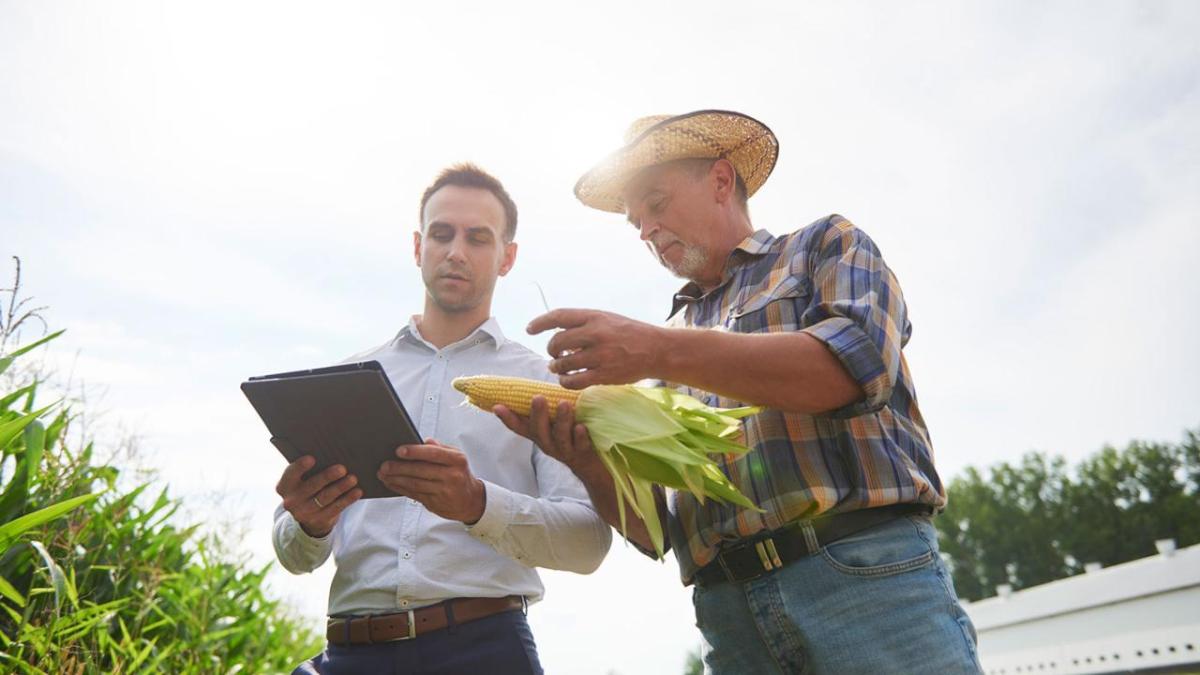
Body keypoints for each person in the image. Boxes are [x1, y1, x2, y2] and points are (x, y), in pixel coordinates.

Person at [494, 111, 981, 673]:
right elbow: (659, 532)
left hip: (864, 581)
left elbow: (851, 369)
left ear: (721, 182)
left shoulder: (824, 245)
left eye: (656, 203)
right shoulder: (667, 338)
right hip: (728, 614)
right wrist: (582, 458)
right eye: (636, 223)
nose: (647, 229)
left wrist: (656, 351)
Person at [272, 163, 612, 675]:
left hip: (484, 650)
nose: (456, 251)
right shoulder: (344, 381)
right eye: (441, 234)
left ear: (507, 257)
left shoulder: (548, 385)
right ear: (417, 247)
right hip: (349, 652)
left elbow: (589, 543)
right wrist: (308, 522)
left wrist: (477, 503)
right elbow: (296, 556)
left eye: (478, 237)